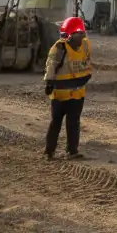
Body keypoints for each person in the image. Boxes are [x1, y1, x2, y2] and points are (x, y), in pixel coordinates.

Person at [43, 15, 93, 160]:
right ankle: (66, 151)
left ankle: (54, 152)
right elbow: (88, 66)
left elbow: (50, 66)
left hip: (65, 93)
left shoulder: (59, 47)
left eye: (66, 35)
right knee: (68, 123)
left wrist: (49, 83)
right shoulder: (85, 45)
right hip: (74, 93)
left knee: (61, 123)